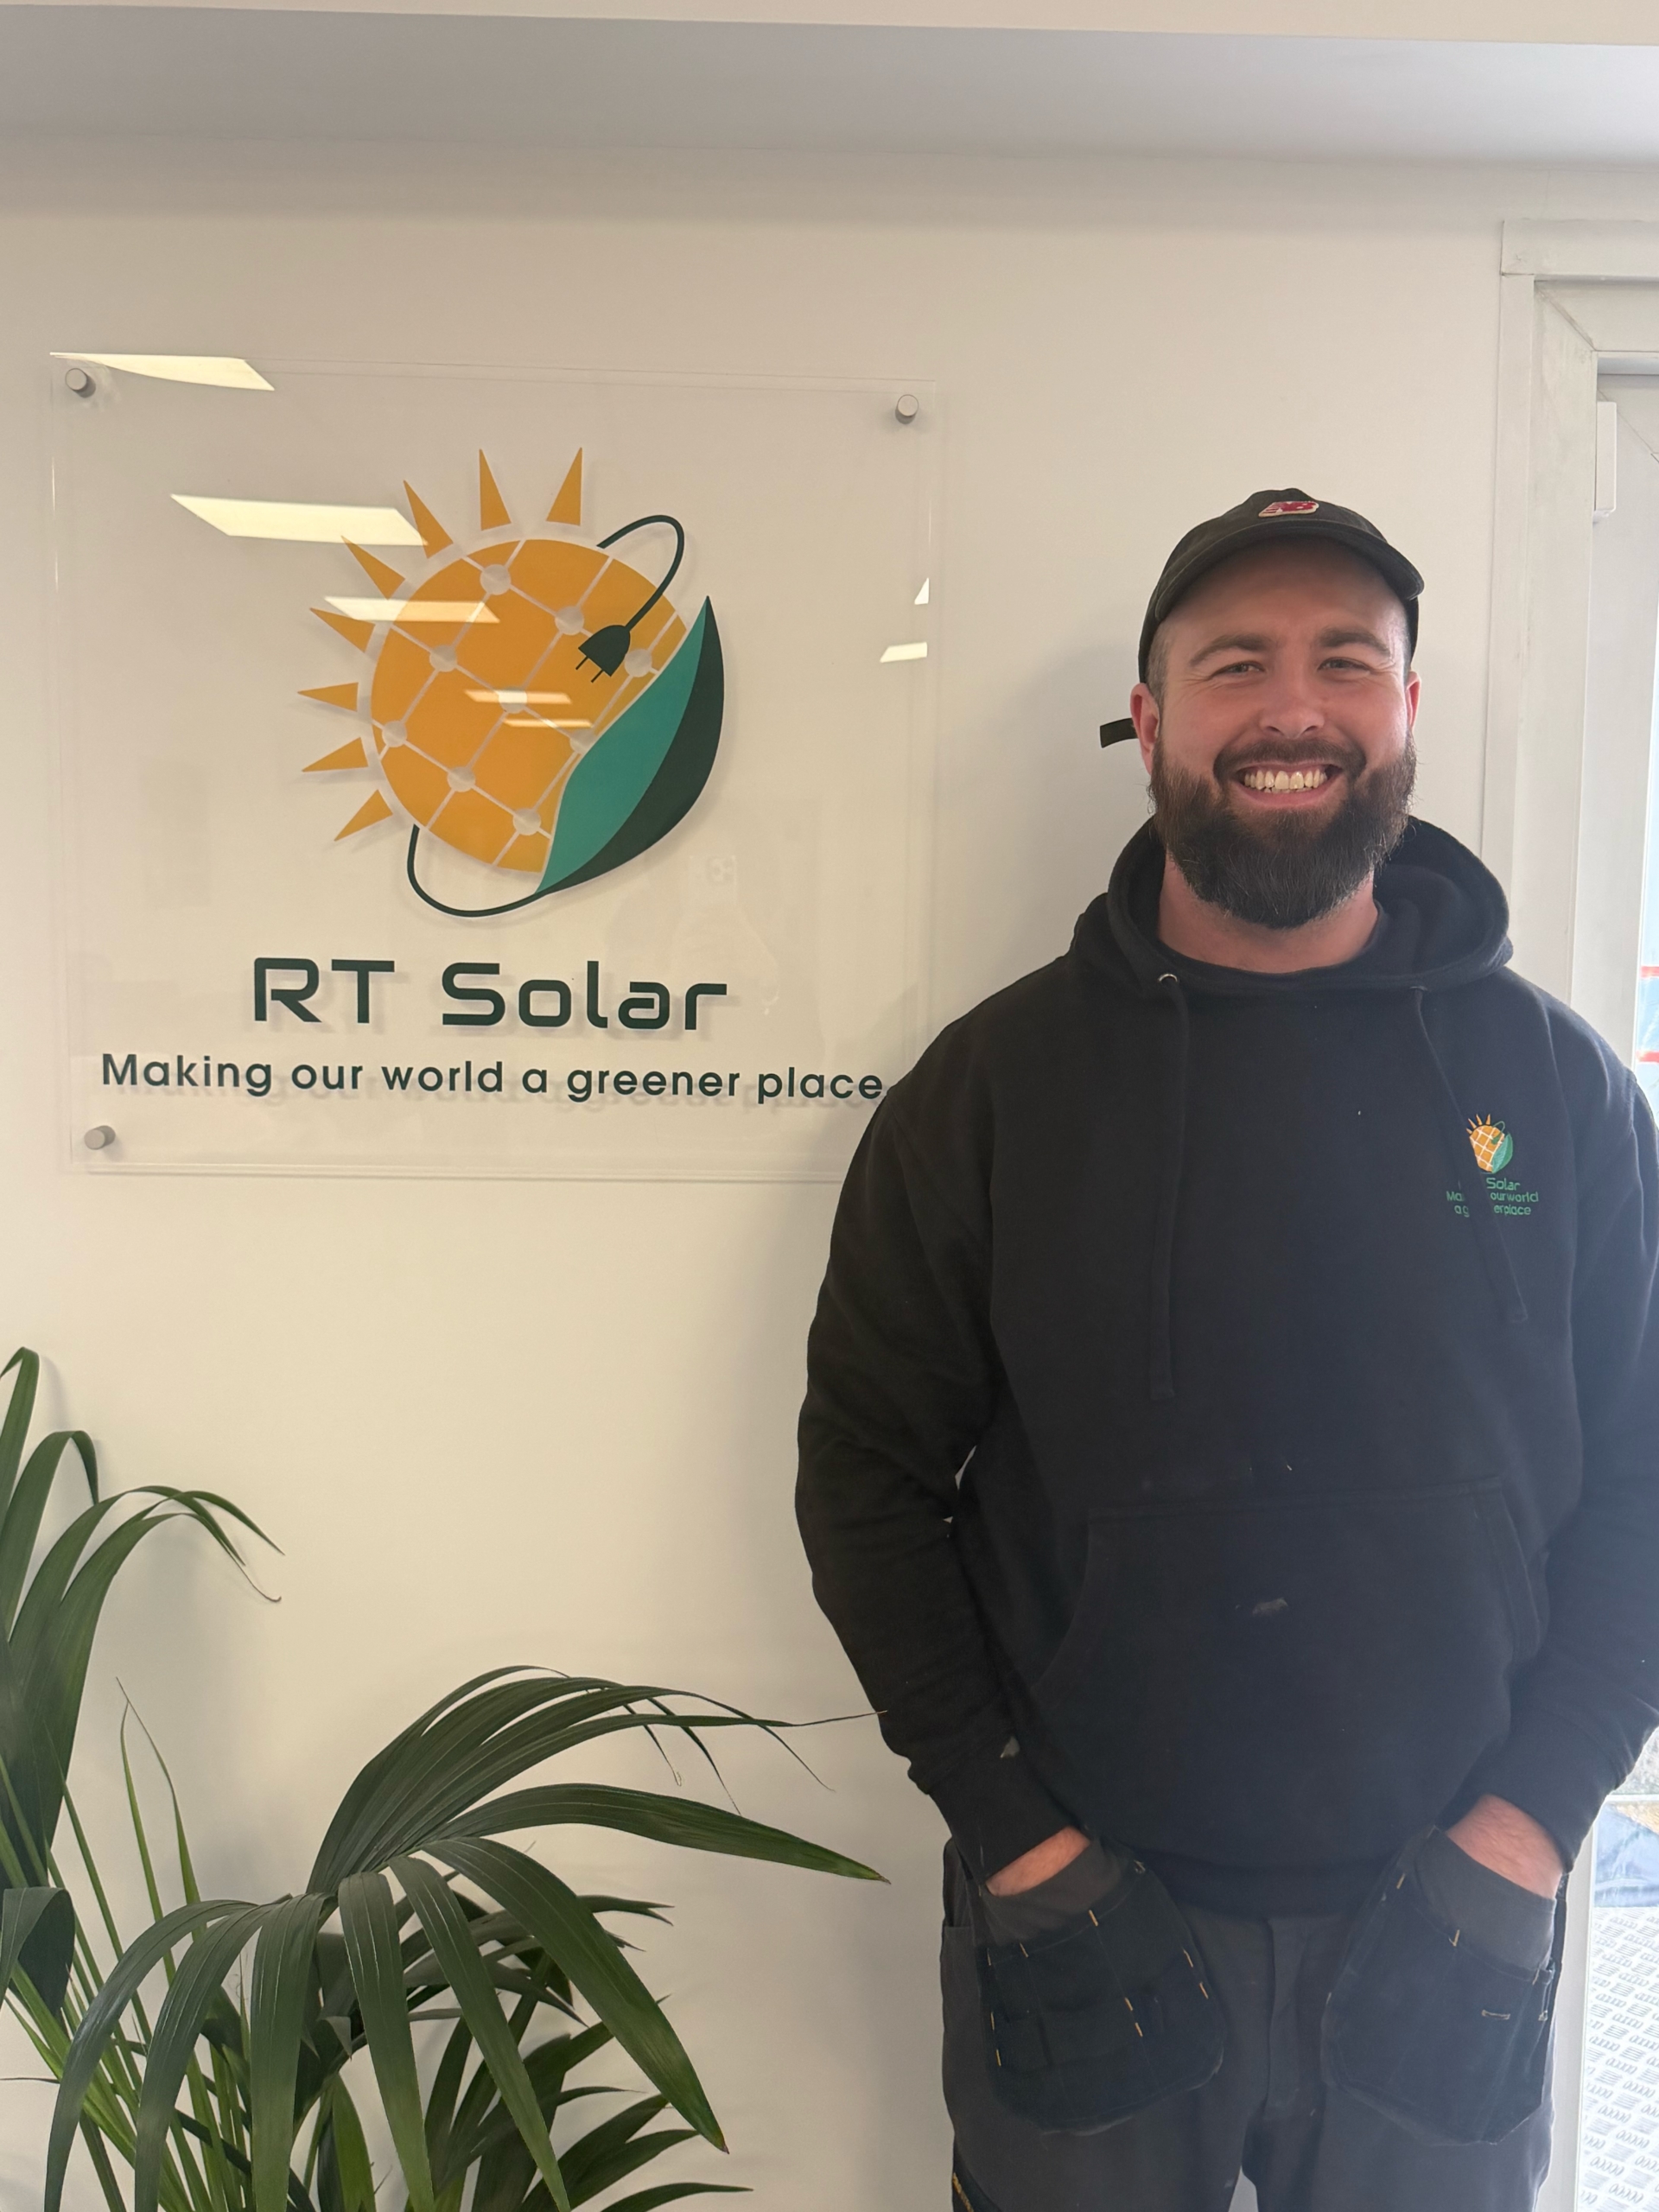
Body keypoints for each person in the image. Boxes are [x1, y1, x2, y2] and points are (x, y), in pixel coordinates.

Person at [795, 489, 1659, 2211]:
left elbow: (1645, 1483)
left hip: (1456, 1898)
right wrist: (1016, 1835)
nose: (1293, 706)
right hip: (1082, 1908)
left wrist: (1531, 1826)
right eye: (1236, 662)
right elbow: (867, 1482)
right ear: (1151, 718)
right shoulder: (992, 1091)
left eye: (1347, 660)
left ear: (1405, 710)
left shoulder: (1556, 1089)